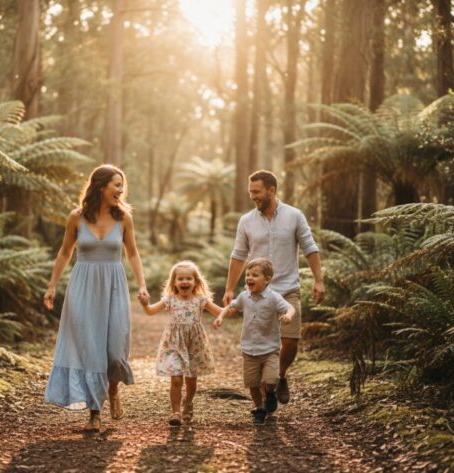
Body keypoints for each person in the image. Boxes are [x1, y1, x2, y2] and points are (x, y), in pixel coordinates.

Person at [43, 164, 149, 432]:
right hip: (83, 286)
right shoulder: (76, 218)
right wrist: (52, 285)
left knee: (115, 351)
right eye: (116, 184)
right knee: (91, 350)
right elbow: (65, 253)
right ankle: (94, 413)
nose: (120, 190)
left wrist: (143, 285)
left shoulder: (124, 218)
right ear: (101, 186)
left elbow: (133, 253)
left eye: (121, 185)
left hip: (113, 284)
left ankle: (113, 389)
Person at [223, 170, 325, 406]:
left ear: (271, 190)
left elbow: (310, 247)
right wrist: (230, 288)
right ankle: (267, 389)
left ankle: (280, 376)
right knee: (260, 343)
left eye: (256, 192)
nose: (253, 197)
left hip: (288, 288)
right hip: (257, 294)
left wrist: (319, 280)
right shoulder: (246, 221)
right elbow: (238, 256)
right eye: (250, 193)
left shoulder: (294, 216)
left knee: (291, 340)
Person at [138, 260, 225, 426]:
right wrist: (145, 304)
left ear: (195, 282)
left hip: (195, 344)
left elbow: (219, 312)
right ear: (174, 283)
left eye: (188, 279)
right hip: (174, 344)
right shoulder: (169, 300)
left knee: (191, 380)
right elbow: (150, 311)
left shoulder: (200, 300)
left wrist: (234, 307)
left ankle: (188, 402)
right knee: (176, 379)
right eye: (180, 279)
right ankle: (176, 412)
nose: (185, 282)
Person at [215, 258, 294, 425]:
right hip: (249, 350)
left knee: (271, 379)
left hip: (270, 349)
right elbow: (230, 306)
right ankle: (260, 408)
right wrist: (221, 317)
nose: (249, 278)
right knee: (252, 383)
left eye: (255, 275)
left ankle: (271, 393)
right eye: (247, 275)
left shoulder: (273, 297)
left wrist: (288, 315)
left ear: (267, 279)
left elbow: (290, 307)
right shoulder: (244, 297)